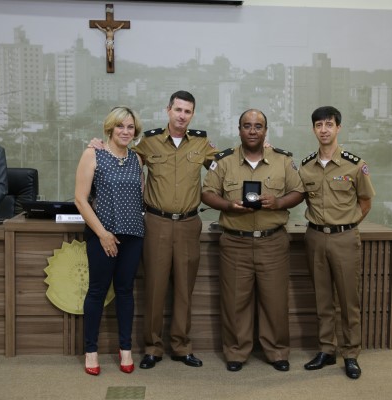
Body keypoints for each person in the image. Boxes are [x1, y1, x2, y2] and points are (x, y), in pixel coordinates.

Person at [91, 90, 218, 369]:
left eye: (188, 111)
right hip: (156, 223)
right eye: (178, 110)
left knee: (185, 289)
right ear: (168, 110)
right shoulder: (148, 143)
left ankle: (182, 347)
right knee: (155, 288)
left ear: (192, 114)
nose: (182, 115)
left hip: (188, 223)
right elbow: (119, 155)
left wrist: (263, 150)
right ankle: (152, 347)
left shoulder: (200, 143)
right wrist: (96, 145)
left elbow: (225, 167)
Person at [201, 109, 304, 372]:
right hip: (235, 242)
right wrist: (227, 205)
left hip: (272, 242)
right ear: (239, 129)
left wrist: (279, 202)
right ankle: (236, 352)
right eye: (247, 126)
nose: (253, 131)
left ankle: (277, 351)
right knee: (235, 301)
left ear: (265, 131)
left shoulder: (283, 160)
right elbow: (207, 193)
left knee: (275, 300)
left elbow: (299, 191)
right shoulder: (224, 161)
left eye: (258, 126)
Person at [299, 106, 375, 379]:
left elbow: (365, 202)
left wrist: (348, 224)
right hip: (315, 237)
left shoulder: (354, 165)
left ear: (338, 128)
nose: (324, 130)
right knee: (323, 298)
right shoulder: (305, 166)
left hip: (344, 237)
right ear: (313, 129)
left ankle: (351, 354)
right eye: (318, 125)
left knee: (348, 299)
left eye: (329, 124)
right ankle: (326, 350)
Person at [74, 106, 145, 376]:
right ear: (110, 129)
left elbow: (139, 198)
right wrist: (103, 234)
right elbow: (80, 199)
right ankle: (90, 351)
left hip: (133, 235)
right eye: (120, 126)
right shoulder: (93, 154)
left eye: (130, 127)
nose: (125, 131)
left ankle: (125, 348)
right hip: (102, 235)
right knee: (97, 291)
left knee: (125, 292)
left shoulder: (137, 159)